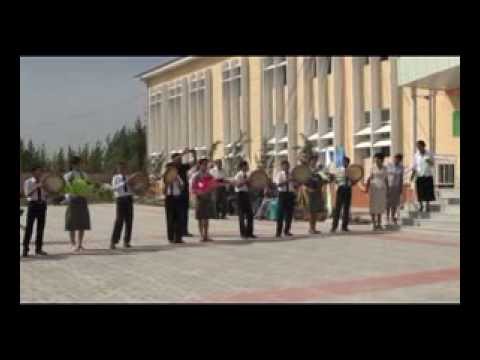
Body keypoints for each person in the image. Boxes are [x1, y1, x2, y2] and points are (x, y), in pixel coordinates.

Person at [64, 156, 91, 252]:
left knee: (82, 222)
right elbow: (66, 188)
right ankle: (72, 243)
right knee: (72, 221)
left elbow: (88, 186)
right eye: (78, 163)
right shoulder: (68, 175)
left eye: (80, 163)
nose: (80, 165)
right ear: (73, 164)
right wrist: (69, 197)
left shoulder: (84, 175)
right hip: (73, 200)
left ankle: (80, 244)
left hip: (82, 199)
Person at [110, 162, 139, 249]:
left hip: (129, 199)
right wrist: (125, 182)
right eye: (120, 168)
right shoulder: (116, 178)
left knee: (129, 221)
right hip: (120, 199)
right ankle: (113, 241)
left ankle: (127, 241)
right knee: (119, 221)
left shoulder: (129, 177)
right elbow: (114, 188)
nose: (122, 170)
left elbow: (133, 189)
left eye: (124, 168)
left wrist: (135, 187)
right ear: (118, 169)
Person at [22, 166, 48, 257]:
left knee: (40, 228)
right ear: (33, 172)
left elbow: (47, 194)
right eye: (38, 171)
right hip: (33, 205)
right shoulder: (28, 182)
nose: (40, 173)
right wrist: (37, 186)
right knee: (29, 228)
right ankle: (25, 249)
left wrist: (46, 188)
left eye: (41, 171)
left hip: (42, 205)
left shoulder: (44, 182)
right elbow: (27, 194)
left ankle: (38, 249)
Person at [172, 148, 197, 237]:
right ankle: (178, 231)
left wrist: (194, 154)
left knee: (185, 212)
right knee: (178, 213)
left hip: (185, 191)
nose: (180, 159)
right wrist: (183, 153)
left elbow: (194, 163)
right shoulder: (172, 167)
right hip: (176, 193)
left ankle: (184, 230)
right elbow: (175, 161)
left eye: (181, 159)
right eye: (178, 158)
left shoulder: (183, 167)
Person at [191, 158, 217, 242]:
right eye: (204, 164)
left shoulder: (209, 175)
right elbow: (193, 188)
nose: (205, 166)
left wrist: (212, 194)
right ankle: (201, 235)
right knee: (200, 218)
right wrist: (200, 192)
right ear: (199, 165)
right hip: (200, 199)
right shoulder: (196, 176)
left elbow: (213, 185)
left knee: (206, 218)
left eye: (206, 164)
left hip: (207, 198)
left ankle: (206, 235)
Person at [365, 153, 389, 231]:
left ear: (381, 159)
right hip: (374, 188)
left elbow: (386, 179)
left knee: (380, 206)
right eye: (375, 158)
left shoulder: (385, 168)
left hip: (382, 189)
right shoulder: (373, 167)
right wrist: (366, 188)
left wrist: (388, 189)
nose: (376, 160)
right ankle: (374, 224)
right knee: (373, 206)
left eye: (377, 158)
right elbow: (369, 178)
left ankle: (379, 223)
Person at [411, 140, 435, 212]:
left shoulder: (429, 153)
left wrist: (428, 160)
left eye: (420, 146)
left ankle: (427, 205)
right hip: (419, 175)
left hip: (427, 175)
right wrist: (412, 176)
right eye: (417, 146)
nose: (418, 148)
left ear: (423, 146)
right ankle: (421, 206)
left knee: (428, 191)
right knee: (420, 191)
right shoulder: (416, 155)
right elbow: (414, 166)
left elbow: (432, 164)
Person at [164, 162, 185, 244]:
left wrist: (177, 181)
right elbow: (164, 191)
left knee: (179, 219)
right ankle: (171, 237)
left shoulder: (177, 177)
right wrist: (168, 183)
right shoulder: (165, 178)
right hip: (169, 198)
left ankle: (178, 237)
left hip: (177, 197)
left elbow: (182, 186)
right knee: (170, 218)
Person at [234, 161, 256, 239]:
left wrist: (250, 183)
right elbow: (237, 185)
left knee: (250, 214)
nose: (247, 167)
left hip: (246, 194)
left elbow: (249, 186)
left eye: (247, 166)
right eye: (246, 166)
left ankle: (249, 232)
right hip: (240, 194)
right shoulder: (238, 175)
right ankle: (243, 233)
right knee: (241, 214)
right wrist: (245, 181)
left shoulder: (247, 175)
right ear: (242, 167)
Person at [330, 156, 352, 233]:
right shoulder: (338, 170)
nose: (344, 163)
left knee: (346, 209)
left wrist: (351, 181)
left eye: (346, 162)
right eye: (343, 161)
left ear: (348, 163)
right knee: (337, 209)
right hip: (341, 188)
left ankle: (344, 226)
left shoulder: (351, 170)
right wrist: (338, 181)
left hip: (348, 189)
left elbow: (354, 180)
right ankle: (334, 226)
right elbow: (335, 179)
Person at [274, 160, 296, 238]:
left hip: (290, 194)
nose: (286, 167)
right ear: (282, 166)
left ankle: (287, 231)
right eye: (284, 166)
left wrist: (296, 183)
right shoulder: (279, 174)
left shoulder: (291, 174)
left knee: (289, 213)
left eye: (287, 166)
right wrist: (287, 181)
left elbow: (294, 185)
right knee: (280, 213)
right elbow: (278, 185)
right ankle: (278, 232)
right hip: (282, 194)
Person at [305, 155, 325, 234]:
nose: (314, 162)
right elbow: (304, 181)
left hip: (317, 192)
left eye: (315, 160)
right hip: (310, 192)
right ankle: (310, 228)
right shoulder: (307, 170)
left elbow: (322, 180)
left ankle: (314, 228)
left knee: (315, 211)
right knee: (311, 211)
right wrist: (307, 189)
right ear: (309, 162)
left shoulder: (318, 172)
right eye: (313, 160)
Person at [386, 154, 404, 226]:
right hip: (389, 186)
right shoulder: (389, 165)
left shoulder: (401, 167)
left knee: (394, 203)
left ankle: (393, 217)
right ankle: (387, 218)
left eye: (398, 160)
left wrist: (401, 187)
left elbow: (401, 178)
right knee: (388, 203)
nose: (396, 160)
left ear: (400, 160)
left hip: (396, 186)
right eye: (395, 159)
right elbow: (386, 177)